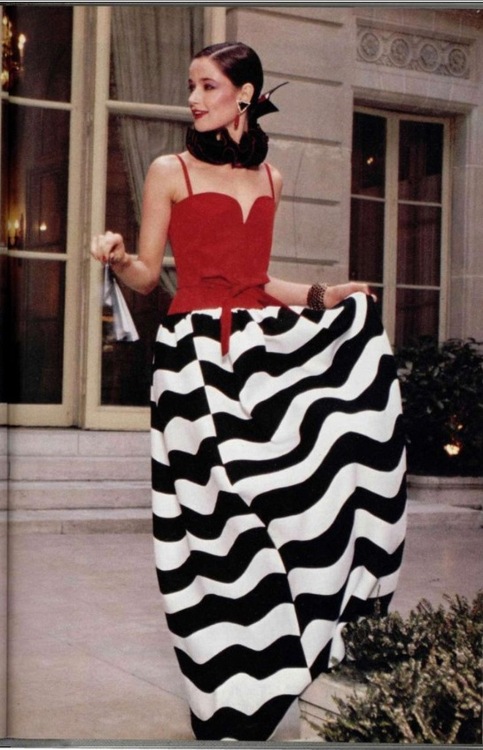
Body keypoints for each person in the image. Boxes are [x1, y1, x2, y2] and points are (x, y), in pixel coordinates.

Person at [91, 41, 407, 741]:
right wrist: (118, 258)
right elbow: (150, 275)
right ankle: (223, 686)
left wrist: (326, 294)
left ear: (244, 94)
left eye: (207, 86)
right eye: (190, 86)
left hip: (255, 353)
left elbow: (259, 284)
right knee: (213, 525)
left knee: (306, 492)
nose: (193, 99)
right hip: (193, 358)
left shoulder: (270, 176)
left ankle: (292, 650)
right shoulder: (169, 170)